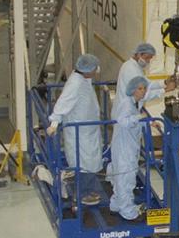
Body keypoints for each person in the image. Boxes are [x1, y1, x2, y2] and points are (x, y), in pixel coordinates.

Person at [47, 54, 103, 206]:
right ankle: (82, 194)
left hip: (88, 130)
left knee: (89, 162)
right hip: (80, 133)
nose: (96, 71)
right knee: (84, 163)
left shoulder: (83, 78)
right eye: (94, 68)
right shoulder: (75, 83)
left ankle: (89, 190)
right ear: (87, 70)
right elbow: (63, 102)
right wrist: (54, 123)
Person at [107, 75, 148, 221]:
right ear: (132, 90)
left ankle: (116, 205)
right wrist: (140, 118)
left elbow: (134, 121)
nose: (143, 91)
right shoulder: (126, 104)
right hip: (125, 149)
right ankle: (128, 213)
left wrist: (147, 122)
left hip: (126, 147)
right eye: (140, 88)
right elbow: (124, 121)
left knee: (121, 179)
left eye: (144, 89)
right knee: (126, 180)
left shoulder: (133, 104)